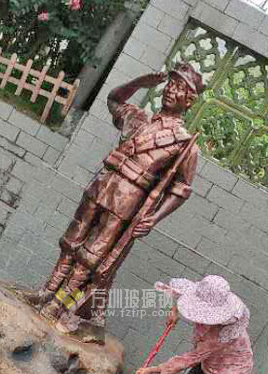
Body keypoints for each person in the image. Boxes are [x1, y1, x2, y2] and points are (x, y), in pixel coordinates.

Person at [26, 63, 204, 345]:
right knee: (72, 240)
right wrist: (140, 81)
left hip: (128, 199)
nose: (171, 89)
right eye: (170, 83)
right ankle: (46, 291)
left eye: (180, 87)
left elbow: (182, 188)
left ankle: (58, 305)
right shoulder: (139, 119)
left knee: (91, 257)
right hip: (103, 183)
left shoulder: (185, 144)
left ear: (189, 100)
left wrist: (153, 218)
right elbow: (114, 100)